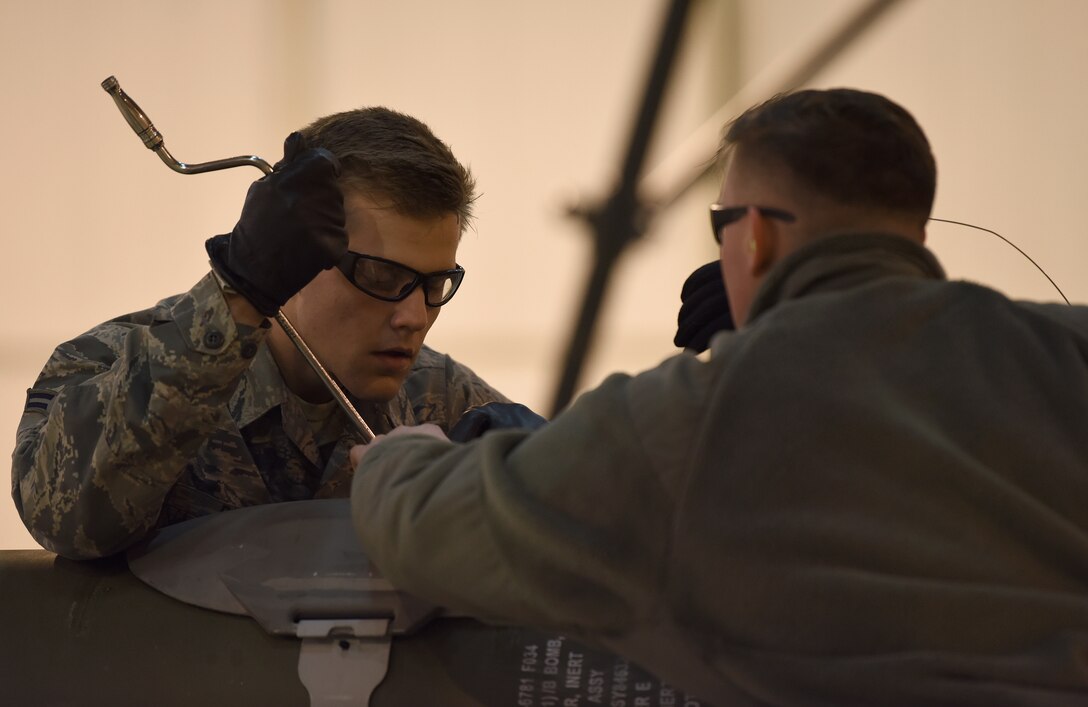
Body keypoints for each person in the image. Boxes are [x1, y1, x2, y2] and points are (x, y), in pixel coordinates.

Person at [348, 88, 1088, 705]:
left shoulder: (692, 419)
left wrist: (405, 454)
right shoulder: (1068, 349)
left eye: (720, 225)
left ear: (754, 238)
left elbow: (430, 525)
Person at [13, 106, 541, 561]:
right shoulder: (110, 362)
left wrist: (538, 480)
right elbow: (61, 519)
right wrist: (238, 292)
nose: (414, 317)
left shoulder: (449, 406)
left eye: (435, 284)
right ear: (297, 249)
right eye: (382, 277)